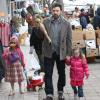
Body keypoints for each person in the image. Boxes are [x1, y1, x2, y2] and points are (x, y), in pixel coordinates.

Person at [43, 2, 72, 100]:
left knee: (62, 73)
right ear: (51, 10)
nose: (55, 12)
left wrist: (68, 54)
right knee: (48, 73)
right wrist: (37, 28)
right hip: (48, 51)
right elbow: (40, 36)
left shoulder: (66, 23)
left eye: (57, 11)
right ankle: (49, 93)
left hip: (61, 52)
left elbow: (69, 40)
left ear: (61, 11)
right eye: (54, 10)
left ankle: (60, 91)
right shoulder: (45, 22)